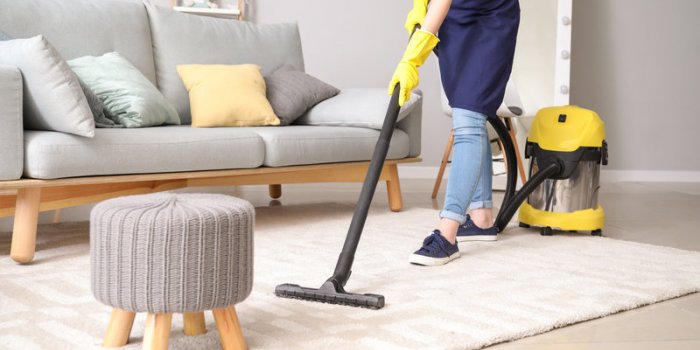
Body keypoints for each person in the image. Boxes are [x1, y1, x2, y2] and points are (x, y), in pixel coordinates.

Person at [388, 0, 520, 266]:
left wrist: (411, 59)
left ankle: (447, 236)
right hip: (457, 21)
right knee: (469, 114)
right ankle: (481, 218)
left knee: (469, 120)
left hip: (491, 17)